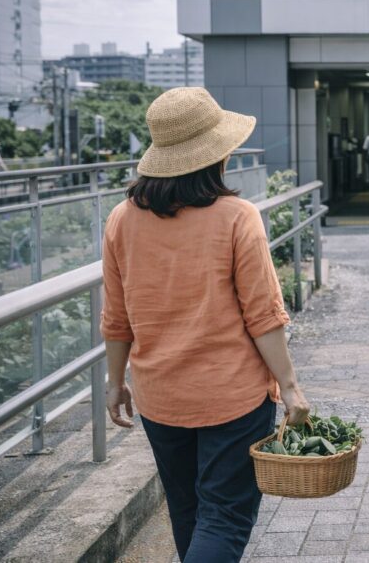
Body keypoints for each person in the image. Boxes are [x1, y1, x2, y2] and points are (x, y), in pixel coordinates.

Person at [101, 87, 311, 563]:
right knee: (225, 518)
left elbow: (116, 317)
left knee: (188, 511)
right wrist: (291, 386)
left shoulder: (120, 219)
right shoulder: (238, 217)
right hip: (232, 397)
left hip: (159, 398)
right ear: (216, 154)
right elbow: (263, 315)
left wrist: (115, 384)